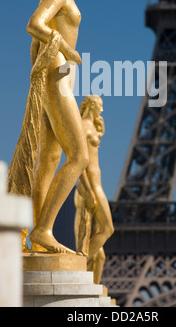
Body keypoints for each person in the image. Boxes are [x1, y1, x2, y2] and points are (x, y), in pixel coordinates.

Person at [8, 0, 96, 253]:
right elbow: (35, 24)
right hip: (57, 74)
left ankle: (37, 235)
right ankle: (44, 228)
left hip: (58, 76)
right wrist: (68, 50)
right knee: (80, 156)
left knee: (49, 157)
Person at [75, 95, 114, 283]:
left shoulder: (91, 127)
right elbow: (78, 162)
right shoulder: (81, 126)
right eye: (100, 106)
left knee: (104, 237)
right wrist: (88, 190)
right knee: (108, 228)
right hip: (91, 185)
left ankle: (83, 265)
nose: (102, 110)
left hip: (97, 184)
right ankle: (80, 264)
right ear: (91, 105)